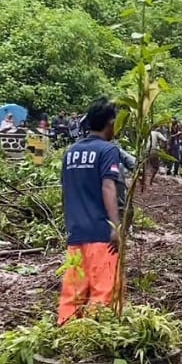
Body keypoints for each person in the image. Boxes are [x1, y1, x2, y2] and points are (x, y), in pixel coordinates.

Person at [57, 97, 121, 325]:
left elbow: (65, 191)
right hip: (100, 233)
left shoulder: (71, 152)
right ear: (110, 122)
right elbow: (108, 186)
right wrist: (115, 226)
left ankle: (66, 335)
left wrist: (69, 223)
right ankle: (95, 340)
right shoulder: (107, 150)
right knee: (103, 291)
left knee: (73, 292)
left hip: (76, 232)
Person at [144, 126, 167, 190]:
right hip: (153, 150)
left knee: (147, 167)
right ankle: (149, 183)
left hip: (145, 151)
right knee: (155, 167)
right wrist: (161, 145)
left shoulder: (147, 133)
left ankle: (146, 183)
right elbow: (165, 140)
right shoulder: (157, 133)